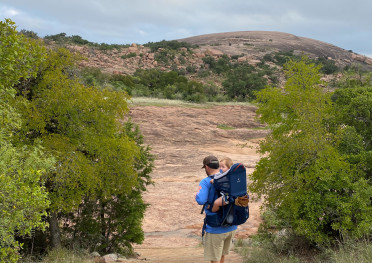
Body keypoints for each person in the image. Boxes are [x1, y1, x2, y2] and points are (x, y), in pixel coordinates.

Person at [195, 155, 237, 263]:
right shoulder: (229, 177)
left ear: (206, 167)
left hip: (216, 228)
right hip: (231, 224)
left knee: (215, 259)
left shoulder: (206, 181)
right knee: (222, 255)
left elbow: (200, 200)